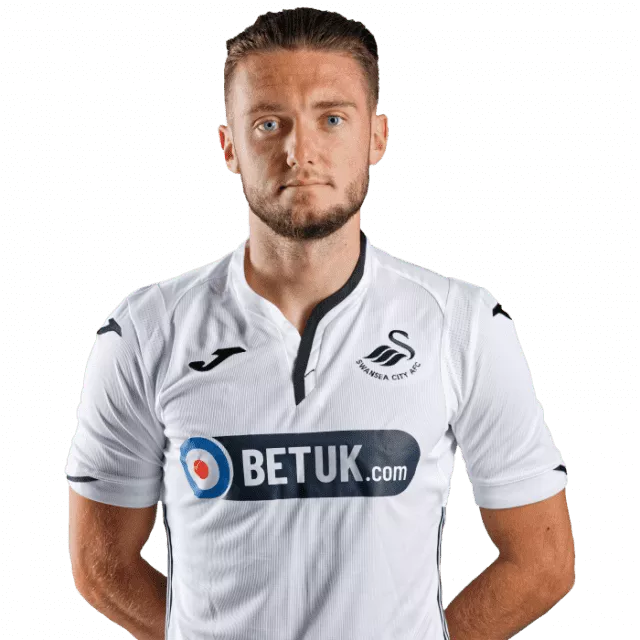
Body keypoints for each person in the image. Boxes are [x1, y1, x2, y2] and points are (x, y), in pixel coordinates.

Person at [65, 6, 575, 640]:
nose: (299, 152)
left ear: (377, 138)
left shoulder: (463, 325)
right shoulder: (145, 332)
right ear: (229, 147)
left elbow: (542, 562)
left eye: (332, 119)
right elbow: (101, 566)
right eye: (268, 123)